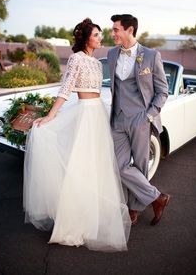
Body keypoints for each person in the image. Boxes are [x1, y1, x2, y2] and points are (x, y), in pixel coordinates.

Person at [23, 18, 131, 252]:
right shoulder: (76, 59)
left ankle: (92, 221)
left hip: (98, 115)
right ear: (85, 38)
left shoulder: (97, 62)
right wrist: (51, 116)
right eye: (96, 35)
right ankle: (71, 225)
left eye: (101, 34)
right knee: (79, 167)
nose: (100, 38)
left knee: (96, 168)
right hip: (84, 115)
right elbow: (66, 89)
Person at [107, 14, 170, 226]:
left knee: (141, 165)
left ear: (130, 30)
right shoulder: (111, 54)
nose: (112, 33)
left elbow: (162, 91)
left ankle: (134, 208)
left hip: (141, 119)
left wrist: (149, 116)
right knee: (119, 165)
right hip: (118, 119)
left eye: (116, 29)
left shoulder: (151, 56)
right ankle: (156, 197)